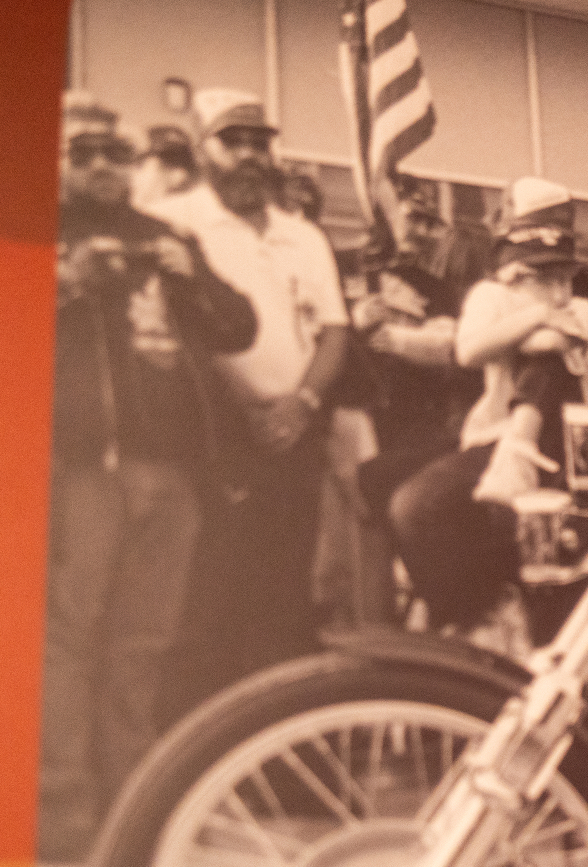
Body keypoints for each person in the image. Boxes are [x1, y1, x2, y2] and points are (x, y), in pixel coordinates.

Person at [41, 92, 256, 861]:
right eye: (84, 153)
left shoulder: (165, 233)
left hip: (174, 473)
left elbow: (240, 326)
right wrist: (67, 279)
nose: (102, 165)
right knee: (70, 638)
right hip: (84, 468)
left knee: (144, 641)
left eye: (114, 154)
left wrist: (191, 273)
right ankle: (63, 816)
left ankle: (131, 809)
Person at [147, 88, 351, 719]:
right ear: (204, 148)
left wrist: (303, 403)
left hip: (298, 431)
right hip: (217, 436)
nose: (247, 155)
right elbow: (183, 332)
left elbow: (336, 329)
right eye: (231, 142)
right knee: (208, 595)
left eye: (258, 142)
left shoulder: (303, 234)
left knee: (286, 595)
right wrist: (253, 408)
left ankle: (273, 755)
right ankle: (194, 750)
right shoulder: (173, 221)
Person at [389, 177, 588, 652]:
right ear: (513, 270)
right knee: (416, 505)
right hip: (495, 440)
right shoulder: (491, 297)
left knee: (547, 563)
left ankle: (519, 459)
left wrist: (535, 324)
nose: (553, 289)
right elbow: (468, 350)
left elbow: (554, 344)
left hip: (577, 449)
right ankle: (472, 620)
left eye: (561, 275)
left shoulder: (584, 307)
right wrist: (536, 316)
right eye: (537, 274)